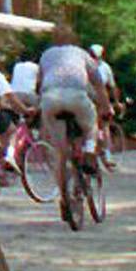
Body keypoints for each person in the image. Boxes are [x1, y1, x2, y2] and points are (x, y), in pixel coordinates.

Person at [32, 31, 112, 186]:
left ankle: (64, 197)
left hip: (50, 98)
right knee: (91, 125)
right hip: (76, 96)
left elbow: (39, 82)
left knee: (59, 152)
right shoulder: (82, 54)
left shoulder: (46, 55)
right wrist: (106, 107)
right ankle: (89, 150)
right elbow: (99, 84)